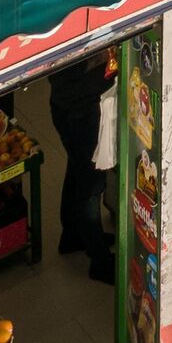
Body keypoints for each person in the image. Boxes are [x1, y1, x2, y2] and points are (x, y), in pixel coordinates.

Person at [44, 48, 113, 280]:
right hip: (80, 109)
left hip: (68, 105)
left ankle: (73, 235)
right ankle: (99, 260)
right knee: (91, 184)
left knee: (77, 169)